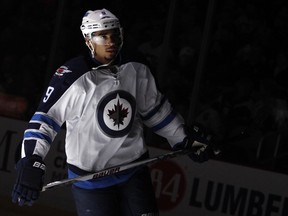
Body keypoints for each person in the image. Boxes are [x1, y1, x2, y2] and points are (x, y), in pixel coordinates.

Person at [11, 8, 215, 216]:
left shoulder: (135, 67)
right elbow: (45, 121)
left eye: (114, 35)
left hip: (134, 170)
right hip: (90, 182)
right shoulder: (72, 77)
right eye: (102, 36)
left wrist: (184, 139)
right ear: (88, 39)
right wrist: (31, 161)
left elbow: (156, 111)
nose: (110, 41)